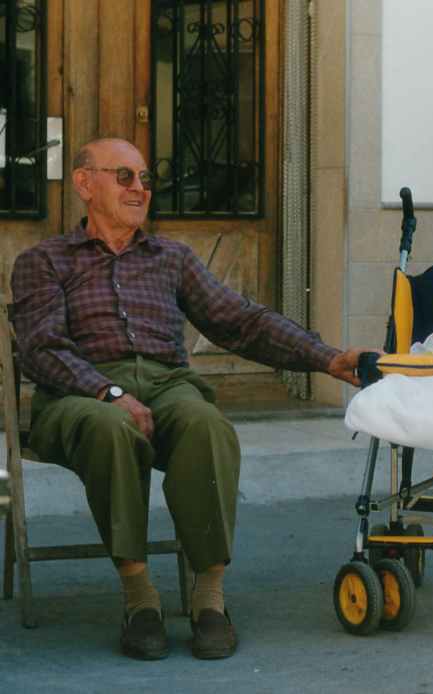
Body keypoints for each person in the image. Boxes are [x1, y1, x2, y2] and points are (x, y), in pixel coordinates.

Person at [10, 138, 368, 660]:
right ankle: (140, 598)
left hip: (165, 383)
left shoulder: (170, 258)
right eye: (125, 177)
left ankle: (209, 597)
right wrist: (107, 392)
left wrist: (326, 358)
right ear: (85, 184)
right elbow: (42, 348)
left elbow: (239, 320)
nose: (140, 189)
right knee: (112, 427)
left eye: (145, 179)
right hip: (78, 391)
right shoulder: (44, 261)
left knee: (207, 425)